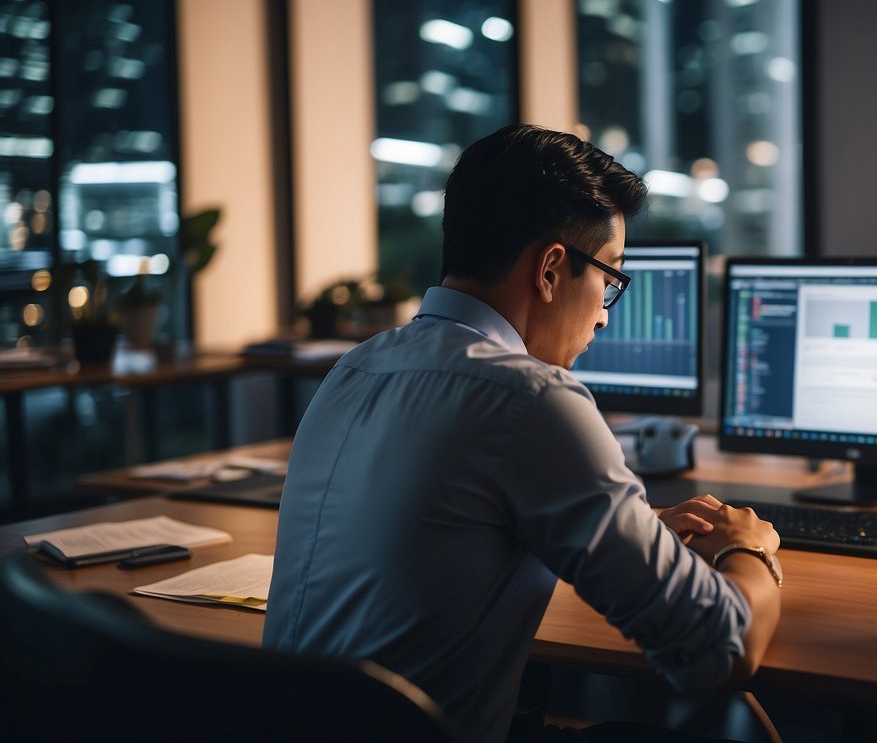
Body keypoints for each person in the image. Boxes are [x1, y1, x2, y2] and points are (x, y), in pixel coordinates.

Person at [263, 124, 782, 743]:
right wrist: (746, 550)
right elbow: (718, 654)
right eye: (610, 278)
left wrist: (629, 536)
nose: (603, 313)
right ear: (551, 270)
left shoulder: (357, 366)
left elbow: (449, 537)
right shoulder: (534, 397)